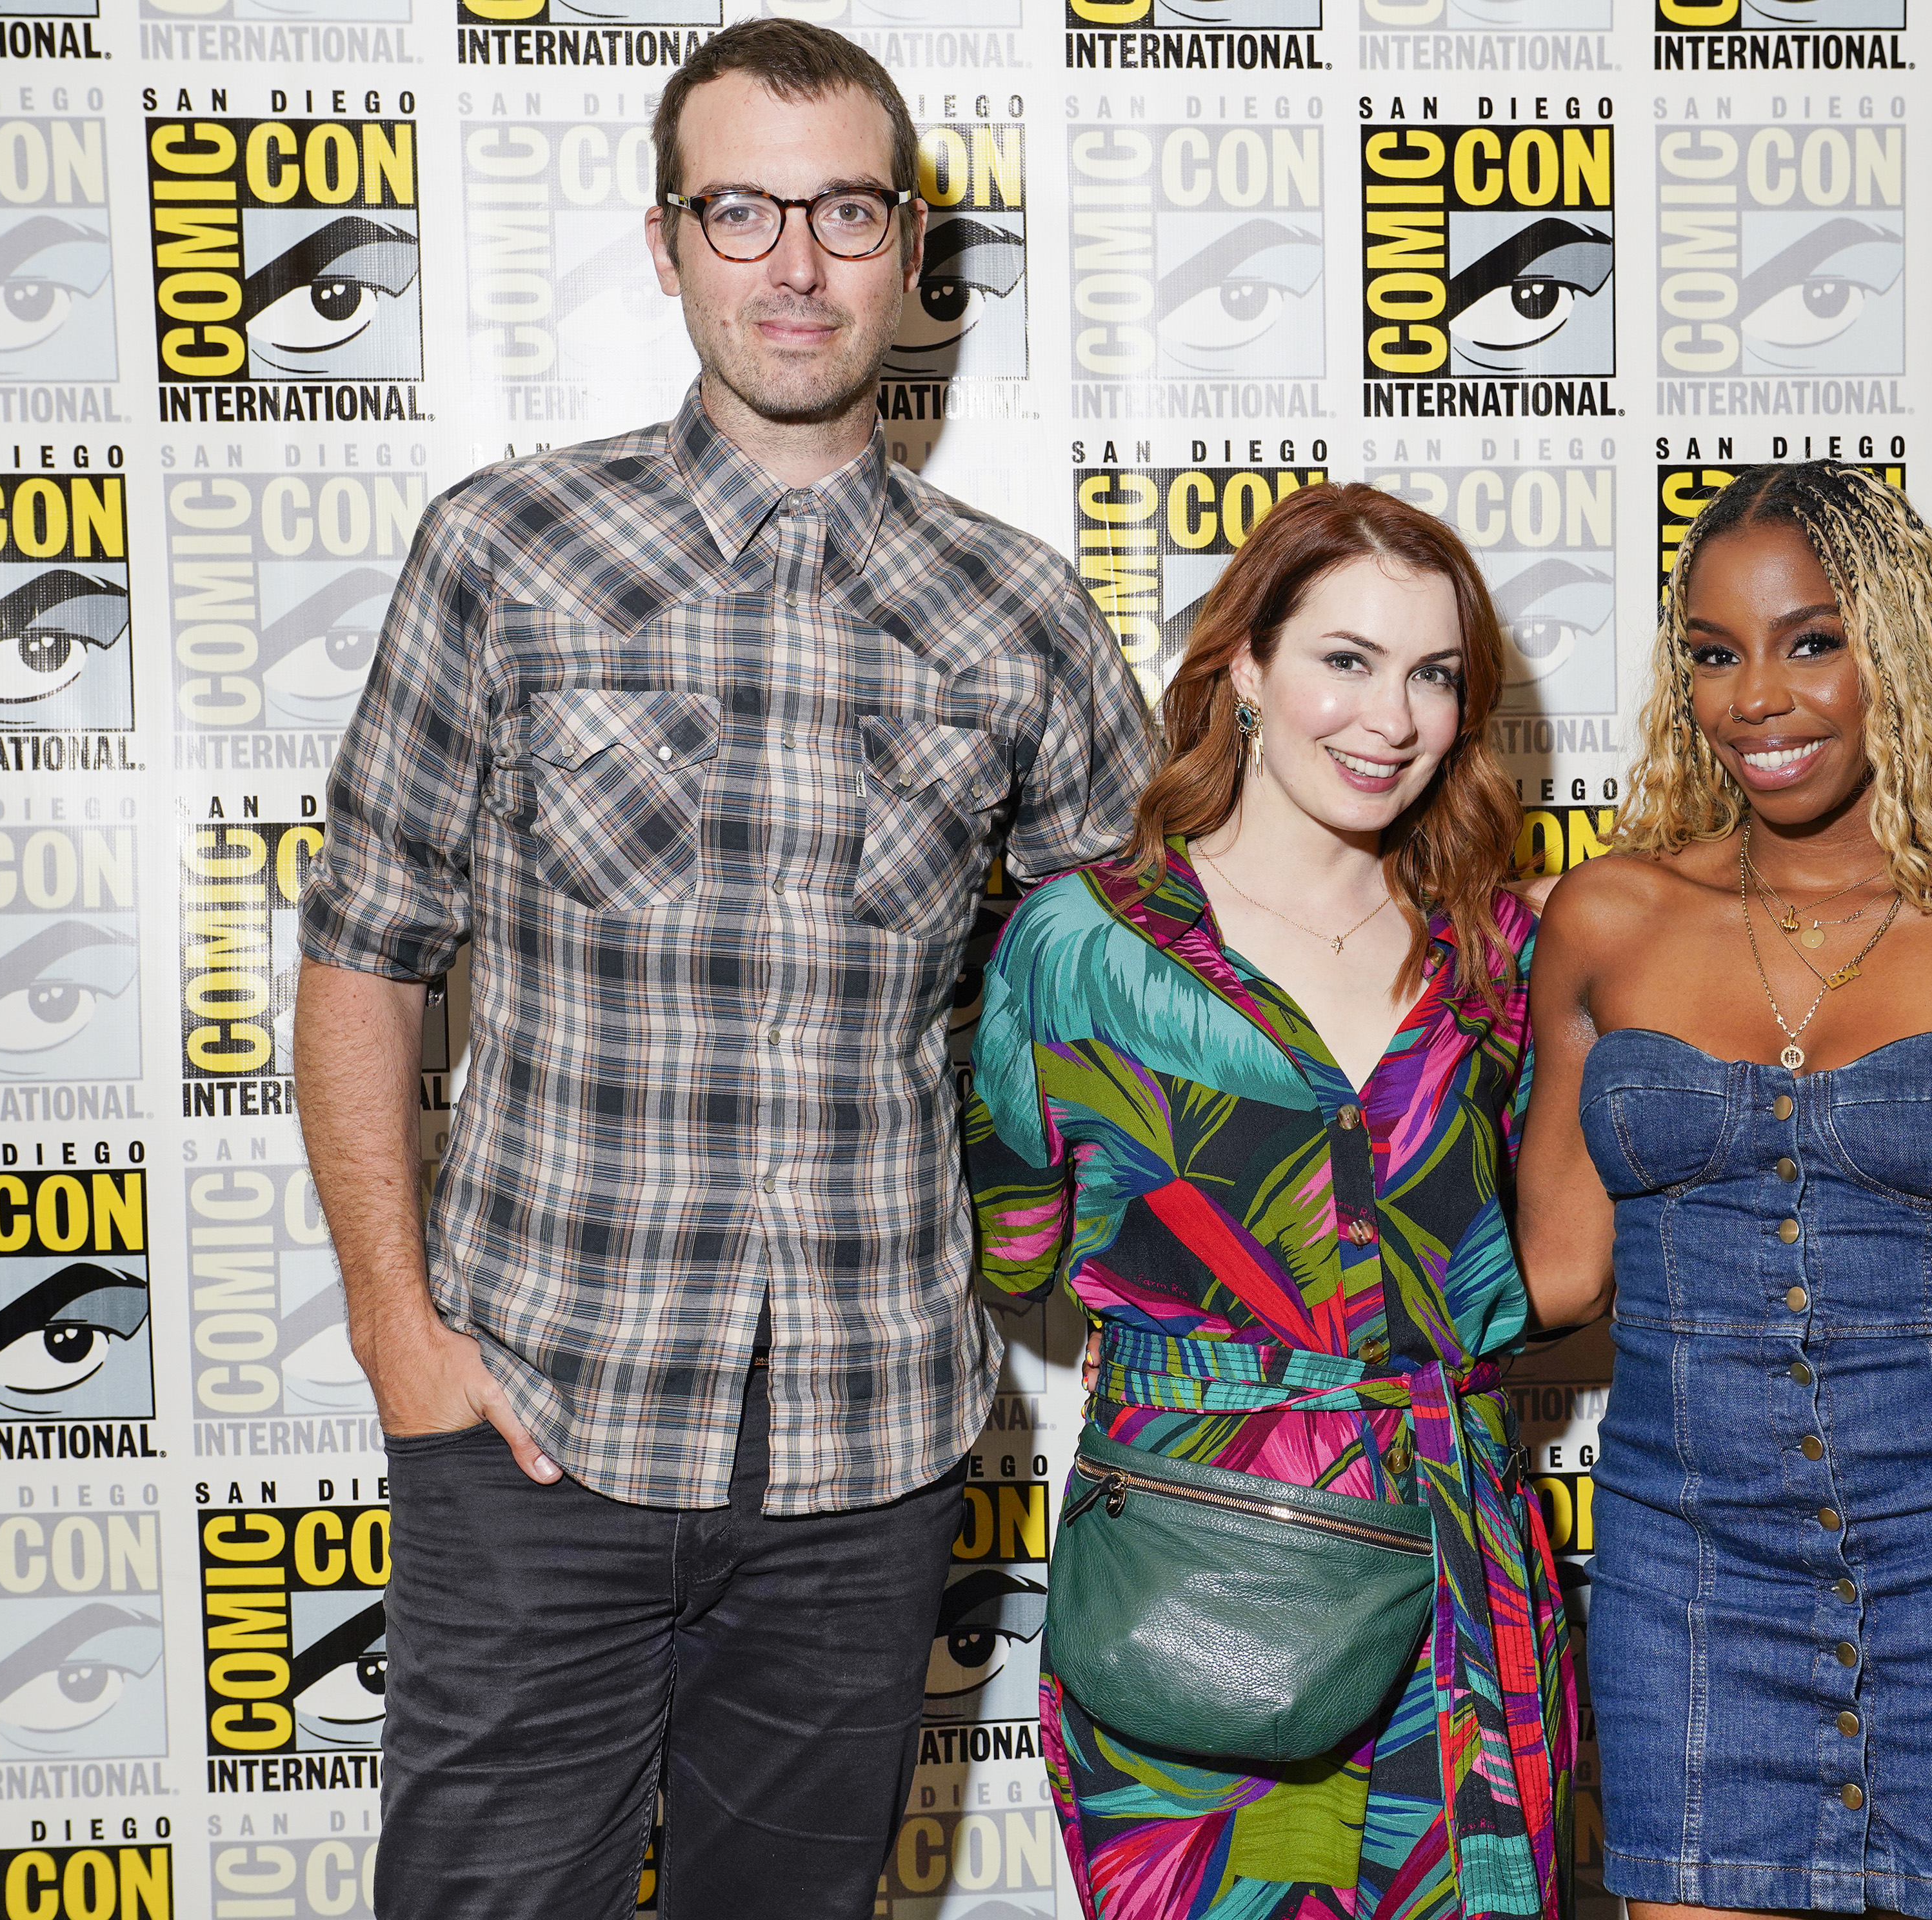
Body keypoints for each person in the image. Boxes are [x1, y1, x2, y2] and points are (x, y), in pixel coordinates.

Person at [288, 21, 1157, 1917]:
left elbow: (1150, 976)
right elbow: (363, 952)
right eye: (742, 209)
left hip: (871, 1443)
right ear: (668, 239)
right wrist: (393, 1333)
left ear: (910, 245)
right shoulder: (503, 550)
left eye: (844, 210)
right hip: (535, 1420)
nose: (794, 263)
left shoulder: (1016, 608)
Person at [1515, 462, 1932, 1920]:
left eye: (1812, 640)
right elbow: (1547, 1275)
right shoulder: (1610, 918)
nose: (1759, 696)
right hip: (1690, 1574)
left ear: (1903, 653)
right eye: (1714, 652)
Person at [962, 483, 1576, 1918]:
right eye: (1345, 661)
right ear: (1243, 667)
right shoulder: (1081, 945)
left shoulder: (1502, 951)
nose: (1393, 719)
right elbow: (1014, 1250)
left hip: (1458, 1581)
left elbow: (1585, 1240)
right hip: (1201, 1578)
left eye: (1434, 675)